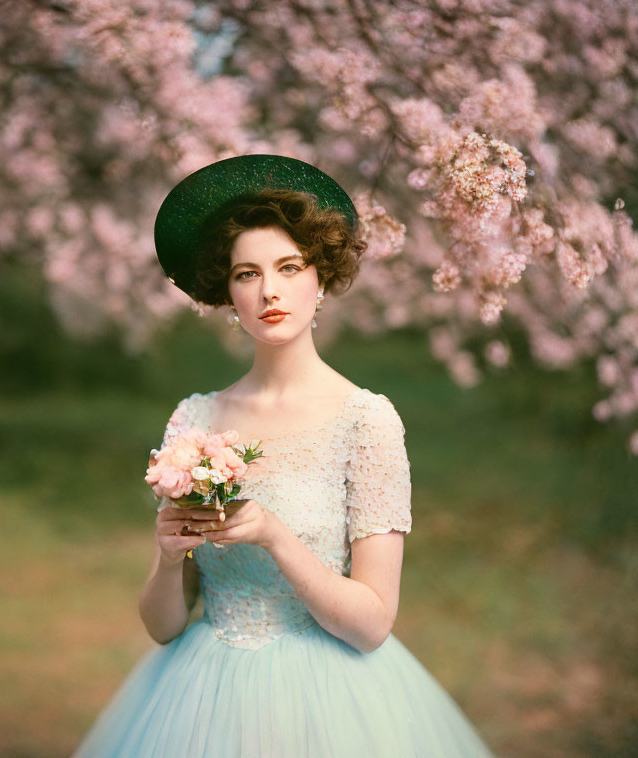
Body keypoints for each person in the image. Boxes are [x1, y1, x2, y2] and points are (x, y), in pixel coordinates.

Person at [71, 155, 497, 757]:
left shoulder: (365, 421)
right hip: (204, 701)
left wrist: (274, 535)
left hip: (330, 702)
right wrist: (169, 560)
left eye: (288, 267)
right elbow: (164, 627)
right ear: (229, 294)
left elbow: (373, 624)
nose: (269, 290)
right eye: (247, 274)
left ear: (319, 279)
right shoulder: (195, 420)